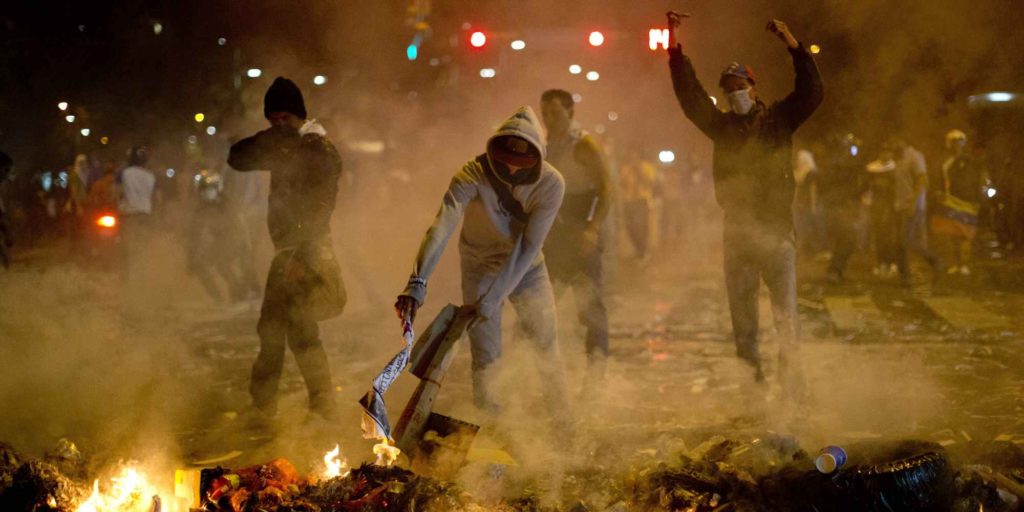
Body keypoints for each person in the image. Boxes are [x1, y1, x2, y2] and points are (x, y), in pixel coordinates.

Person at [665, 13, 823, 390]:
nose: (733, 92)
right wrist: (674, 49)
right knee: (744, 324)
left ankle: (792, 388)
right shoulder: (720, 127)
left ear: (753, 87)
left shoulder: (780, 120)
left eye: (739, 85)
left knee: (786, 320)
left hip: (777, 234)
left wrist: (791, 43)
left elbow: (812, 92)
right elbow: (690, 98)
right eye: (728, 88)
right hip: (737, 236)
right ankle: (753, 390)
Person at [394, 106, 568, 417]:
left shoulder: (551, 183)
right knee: (486, 355)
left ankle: (561, 423)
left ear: (538, 157)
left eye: (522, 163)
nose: (513, 170)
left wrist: (495, 298)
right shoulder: (472, 173)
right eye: (505, 162)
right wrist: (417, 282)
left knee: (545, 344)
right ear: (493, 153)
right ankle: (491, 427)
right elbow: (442, 225)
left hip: (527, 269)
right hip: (479, 265)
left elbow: (529, 245)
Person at [228, 77, 347, 421]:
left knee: (292, 333)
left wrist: (300, 256)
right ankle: (289, 407)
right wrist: (276, 138)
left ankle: (307, 408)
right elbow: (237, 158)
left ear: (299, 116)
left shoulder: (317, 150)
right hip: (289, 254)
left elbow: (319, 208)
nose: (279, 125)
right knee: (283, 331)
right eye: (273, 119)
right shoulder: (286, 147)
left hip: (306, 253)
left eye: (285, 119)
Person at [539, 89, 613, 385]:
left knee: (591, 308)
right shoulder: (545, 146)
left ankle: (596, 378)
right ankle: (537, 376)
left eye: (555, 112)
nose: (549, 119)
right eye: (545, 113)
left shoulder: (584, 145)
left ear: (570, 112)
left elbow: (607, 189)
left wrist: (592, 228)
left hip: (581, 234)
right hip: (553, 237)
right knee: (541, 306)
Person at [931, 129, 985, 276]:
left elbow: (974, 182)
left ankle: (964, 264)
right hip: (950, 202)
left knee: (965, 234)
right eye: (953, 143)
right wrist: (939, 192)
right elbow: (940, 180)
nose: (956, 146)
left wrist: (977, 199)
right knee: (952, 233)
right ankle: (955, 263)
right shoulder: (944, 162)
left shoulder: (969, 161)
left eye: (959, 143)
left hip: (966, 202)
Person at [892, 139, 941, 284]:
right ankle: (906, 275)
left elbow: (923, 180)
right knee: (903, 242)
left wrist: (913, 203)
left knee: (904, 241)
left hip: (912, 206)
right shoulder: (898, 158)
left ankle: (933, 262)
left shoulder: (914, 156)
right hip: (900, 206)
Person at [117, 146, 157, 282]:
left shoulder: (126, 173)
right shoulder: (151, 176)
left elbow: (117, 190)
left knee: (125, 248)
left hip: (129, 214)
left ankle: (126, 278)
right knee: (143, 247)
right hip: (146, 214)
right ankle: (144, 276)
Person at [865, 145, 899, 278]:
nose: (886, 155)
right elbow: (868, 188)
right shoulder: (872, 168)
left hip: (891, 207)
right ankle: (881, 263)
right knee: (879, 236)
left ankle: (892, 263)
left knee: (892, 236)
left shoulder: (895, 167)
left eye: (888, 152)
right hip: (877, 207)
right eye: (884, 152)